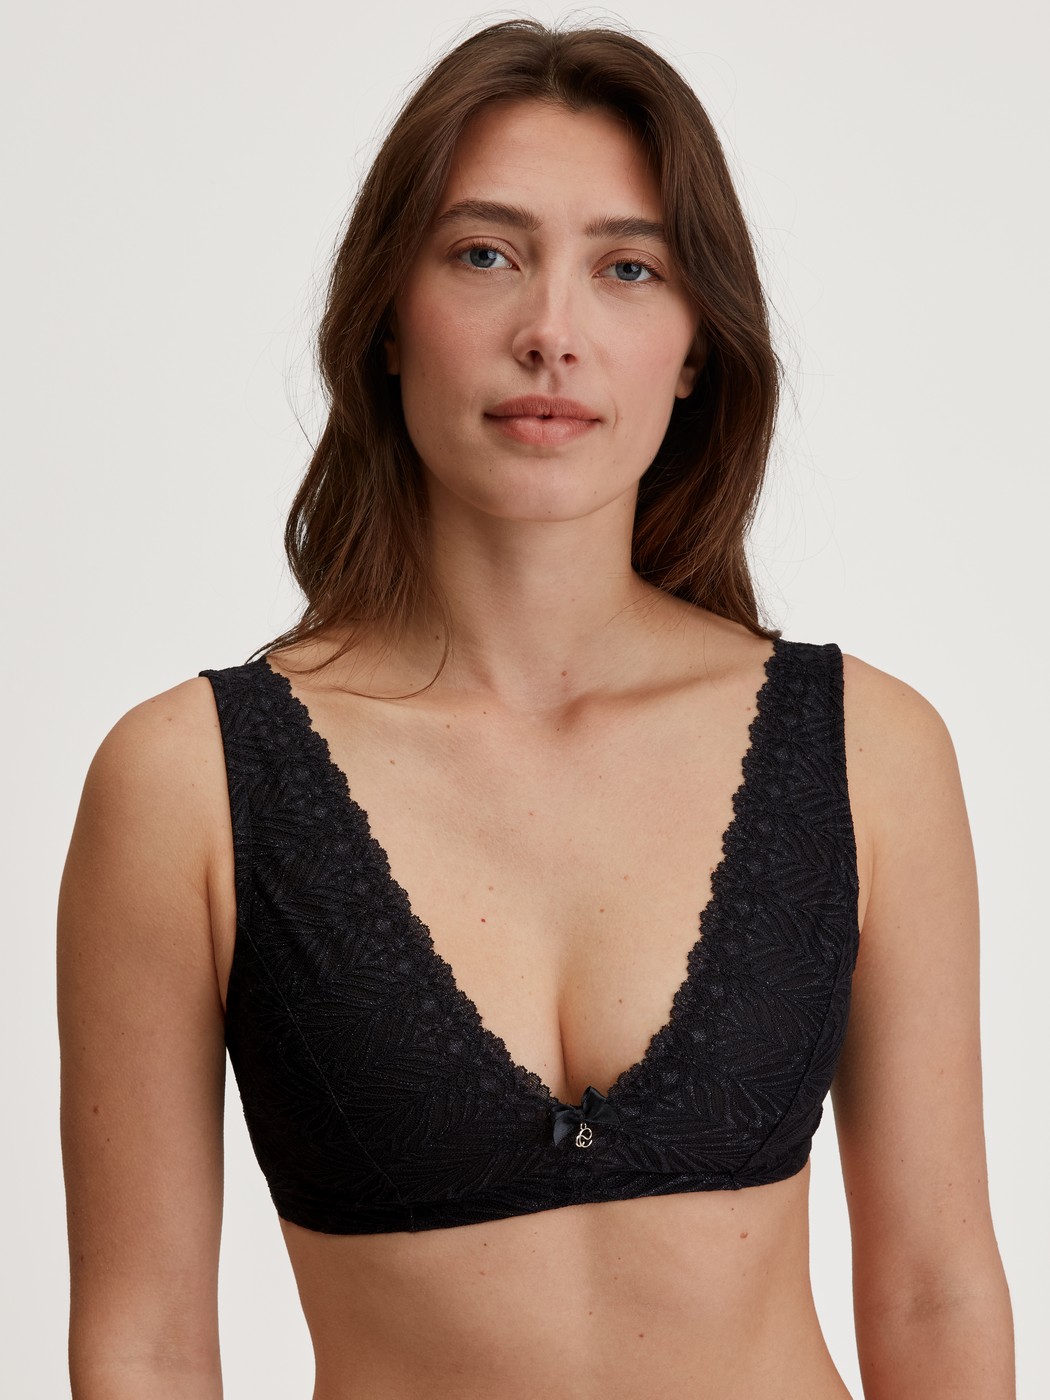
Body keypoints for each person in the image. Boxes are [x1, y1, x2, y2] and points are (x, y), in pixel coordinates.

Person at [56, 18, 1014, 1400]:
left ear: (695, 348)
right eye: (484, 255)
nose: (550, 334)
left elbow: (934, 1287)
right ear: (388, 319)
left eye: (628, 269)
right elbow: (143, 1342)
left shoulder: (870, 751)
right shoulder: (188, 784)